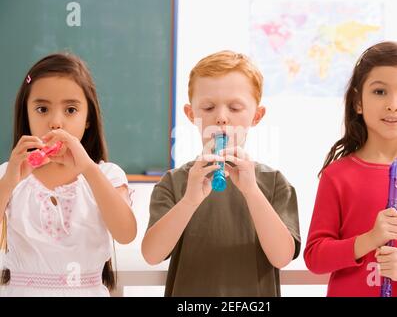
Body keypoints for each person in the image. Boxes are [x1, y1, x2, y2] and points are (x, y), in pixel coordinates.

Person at [141, 50, 300, 296]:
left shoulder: (275, 183)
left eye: (235, 108)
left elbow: (281, 257)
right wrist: (189, 201)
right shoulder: (174, 182)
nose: (221, 118)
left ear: (256, 116)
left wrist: (252, 192)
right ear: (191, 114)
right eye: (208, 107)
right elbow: (152, 255)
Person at [303, 41, 397, 297]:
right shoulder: (337, 176)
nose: (393, 104)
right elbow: (315, 257)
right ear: (358, 103)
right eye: (380, 91)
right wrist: (369, 239)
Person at [0, 53, 137, 296]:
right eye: (42, 109)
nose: (55, 122)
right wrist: (9, 182)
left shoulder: (107, 174)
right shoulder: (8, 174)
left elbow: (125, 234)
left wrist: (88, 169)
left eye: (71, 110)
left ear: (88, 120)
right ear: (27, 115)